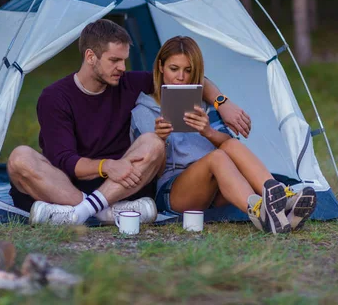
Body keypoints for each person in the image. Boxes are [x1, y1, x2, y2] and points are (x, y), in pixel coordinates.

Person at [7, 19, 253, 225]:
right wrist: (106, 166)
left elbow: (186, 80)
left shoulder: (126, 82)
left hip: (122, 183)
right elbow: (64, 160)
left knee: (153, 142)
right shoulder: (55, 97)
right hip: (68, 184)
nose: (122, 67)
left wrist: (223, 103)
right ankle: (102, 213)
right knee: (19, 157)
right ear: (91, 57)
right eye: (115, 60)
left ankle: (77, 214)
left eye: (124, 60)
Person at [130, 36, 317, 234]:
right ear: (160, 67)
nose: (181, 77)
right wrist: (161, 139)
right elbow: (150, 174)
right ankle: (261, 211)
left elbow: (229, 145)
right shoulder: (143, 111)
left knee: (230, 146)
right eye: (174, 69)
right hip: (175, 191)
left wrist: (207, 132)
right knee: (217, 157)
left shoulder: (204, 104)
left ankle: (281, 199)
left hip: (218, 184)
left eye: (188, 70)